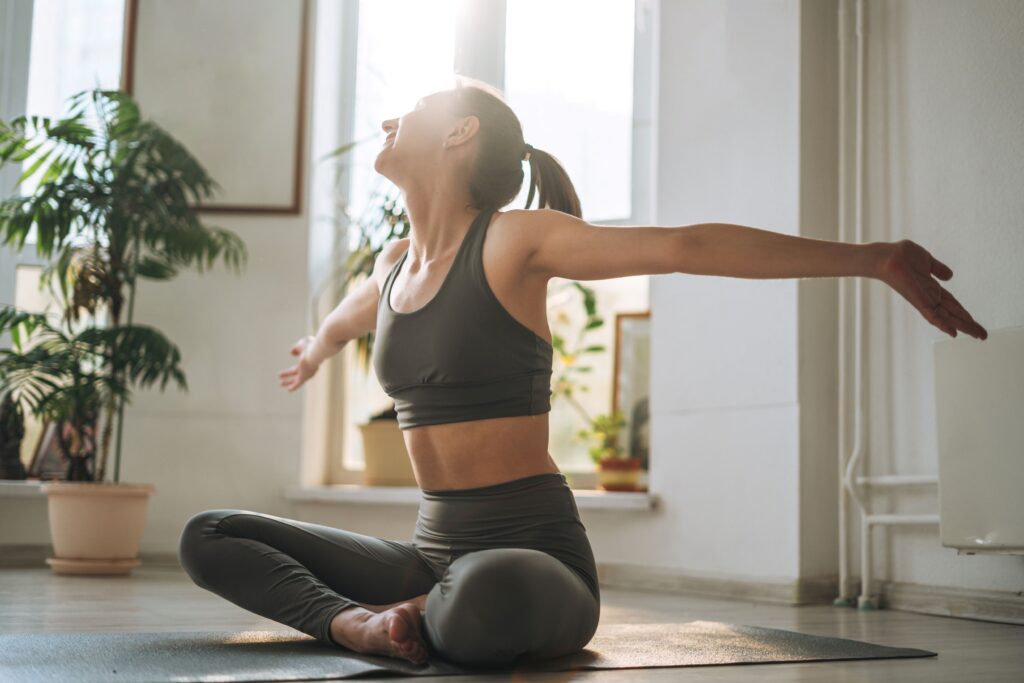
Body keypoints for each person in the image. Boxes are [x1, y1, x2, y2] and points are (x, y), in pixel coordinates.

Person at [178, 76, 988, 669]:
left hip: (536, 557)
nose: (390, 117)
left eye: (415, 108)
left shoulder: (517, 239)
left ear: (462, 133)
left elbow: (685, 247)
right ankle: (358, 623)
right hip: (430, 554)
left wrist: (873, 259)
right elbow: (352, 312)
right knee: (209, 534)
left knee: (485, 598)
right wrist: (317, 348)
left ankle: (403, 617)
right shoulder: (394, 264)